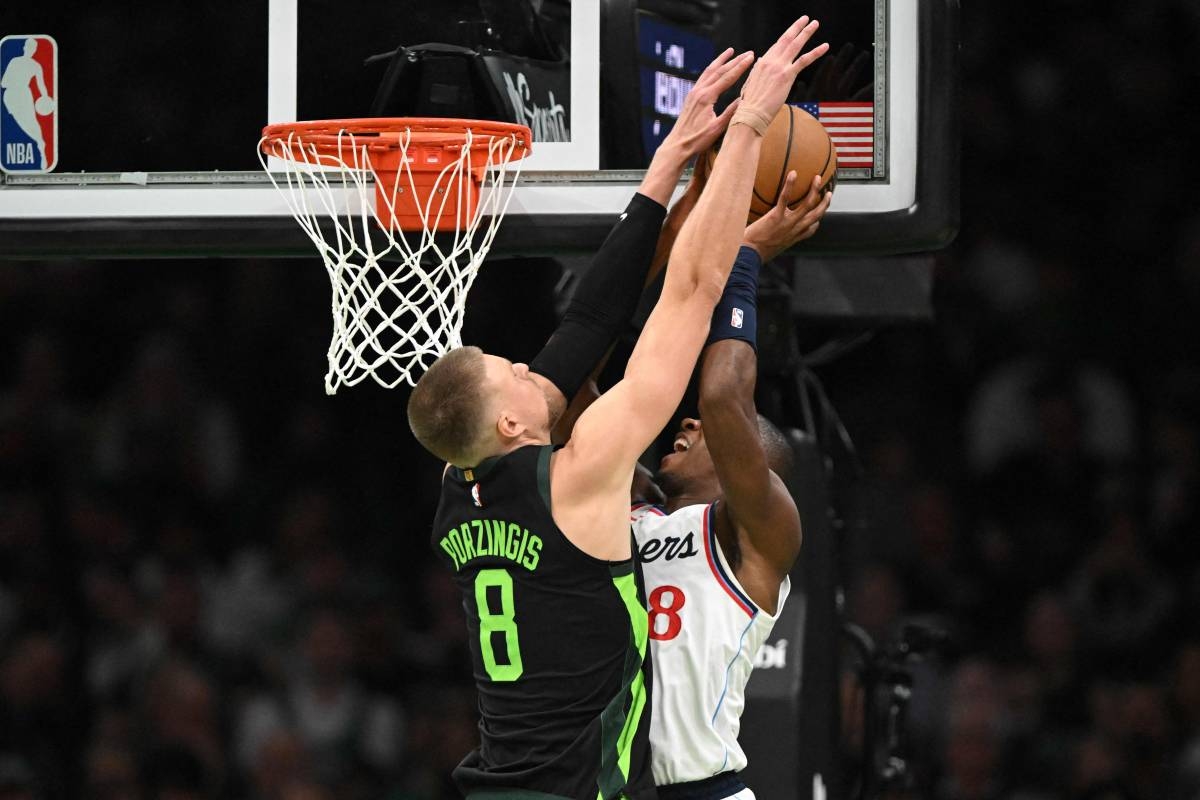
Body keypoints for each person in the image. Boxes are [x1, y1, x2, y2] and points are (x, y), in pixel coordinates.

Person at [406, 18, 829, 800]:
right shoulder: (584, 475)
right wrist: (751, 127)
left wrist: (668, 164)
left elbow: (587, 329)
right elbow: (690, 296)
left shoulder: (458, 482)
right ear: (510, 425)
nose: (534, 367)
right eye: (516, 374)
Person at [629, 172, 824, 799]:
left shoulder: (757, 534)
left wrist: (744, 262)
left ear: (752, 458)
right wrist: (665, 251)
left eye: (713, 432)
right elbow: (575, 394)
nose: (688, 421)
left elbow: (719, 396)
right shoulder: (631, 510)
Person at [0, 38, 52, 170]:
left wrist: (45, 98)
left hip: (23, 95)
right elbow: (3, 83)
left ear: (34, 50)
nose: (30, 50)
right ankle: (39, 143)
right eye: (29, 47)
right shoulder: (15, 61)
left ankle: (41, 147)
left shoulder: (36, 65)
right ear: (24, 48)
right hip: (11, 96)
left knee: (32, 122)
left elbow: (42, 85)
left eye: (33, 48)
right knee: (17, 124)